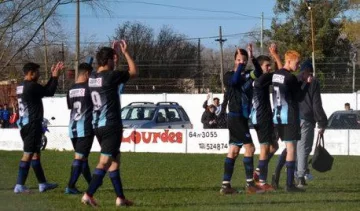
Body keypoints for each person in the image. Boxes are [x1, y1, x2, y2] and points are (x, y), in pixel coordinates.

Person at [81, 40, 138, 207]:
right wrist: (126, 53)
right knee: (105, 161)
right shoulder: (112, 76)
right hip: (111, 124)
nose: (115, 62)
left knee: (115, 160)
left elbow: (110, 72)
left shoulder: (92, 78)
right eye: (114, 60)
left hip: (97, 124)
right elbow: (133, 72)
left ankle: (120, 198)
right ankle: (88, 195)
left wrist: (114, 55)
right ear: (109, 61)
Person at [219, 44, 263, 195]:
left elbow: (258, 72)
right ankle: (250, 185)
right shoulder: (229, 75)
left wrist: (252, 58)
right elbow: (234, 81)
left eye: (244, 60)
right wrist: (239, 67)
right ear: (234, 60)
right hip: (235, 116)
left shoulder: (248, 74)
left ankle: (226, 186)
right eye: (239, 60)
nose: (242, 62)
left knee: (234, 150)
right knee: (250, 148)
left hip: (241, 117)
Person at [14, 61, 63, 193]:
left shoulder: (21, 86)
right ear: (31, 73)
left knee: (35, 154)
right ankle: (19, 185)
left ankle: (42, 183)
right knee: (28, 154)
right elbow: (49, 91)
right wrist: (55, 77)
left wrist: (53, 77)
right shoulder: (31, 86)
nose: (39, 74)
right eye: (37, 72)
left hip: (24, 124)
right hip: (32, 124)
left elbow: (43, 91)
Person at [270, 50, 312, 192]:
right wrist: (306, 83)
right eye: (297, 62)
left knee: (288, 149)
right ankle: (289, 184)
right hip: (290, 116)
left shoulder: (276, 75)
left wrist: (276, 55)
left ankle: (276, 178)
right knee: (292, 149)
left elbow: (285, 79)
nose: (299, 65)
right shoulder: (291, 78)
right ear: (289, 61)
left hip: (278, 117)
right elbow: (299, 97)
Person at [250, 44, 283, 191]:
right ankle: (262, 183)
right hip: (261, 116)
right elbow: (281, 72)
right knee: (264, 148)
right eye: (267, 66)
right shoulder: (262, 78)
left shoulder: (259, 78)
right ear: (261, 67)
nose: (269, 68)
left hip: (263, 116)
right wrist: (276, 55)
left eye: (270, 66)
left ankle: (258, 172)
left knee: (274, 146)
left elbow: (277, 72)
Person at [295, 61, 328, 188]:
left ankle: (292, 173)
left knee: (295, 148)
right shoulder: (313, 82)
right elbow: (316, 104)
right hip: (307, 118)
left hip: (293, 118)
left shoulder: (294, 80)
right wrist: (322, 122)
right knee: (304, 148)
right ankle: (301, 177)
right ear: (309, 71)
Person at [65, 63, 95, 194]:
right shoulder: (89, 88)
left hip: (72, 128)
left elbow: (70, 106)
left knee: (83, 158)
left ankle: (92, 183)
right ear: (87, 74)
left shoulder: (70, 89)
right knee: (80, 158)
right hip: (85, 127)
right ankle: (70, 186)